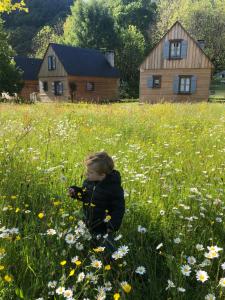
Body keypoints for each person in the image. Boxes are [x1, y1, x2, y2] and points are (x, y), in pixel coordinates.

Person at [68, 151, 125, 262]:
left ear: (102, 175)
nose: (86, 174)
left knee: (108, 249)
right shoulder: (89, 182)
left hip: (104, 226)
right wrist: (75, 192)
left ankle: (116, 265)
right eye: (87, 171)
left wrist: (112, 225)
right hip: (88, 221)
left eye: (90, 172)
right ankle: (89, 257)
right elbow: (85, 195)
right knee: (88, 244)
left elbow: (119, 208)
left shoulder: (113, 188)